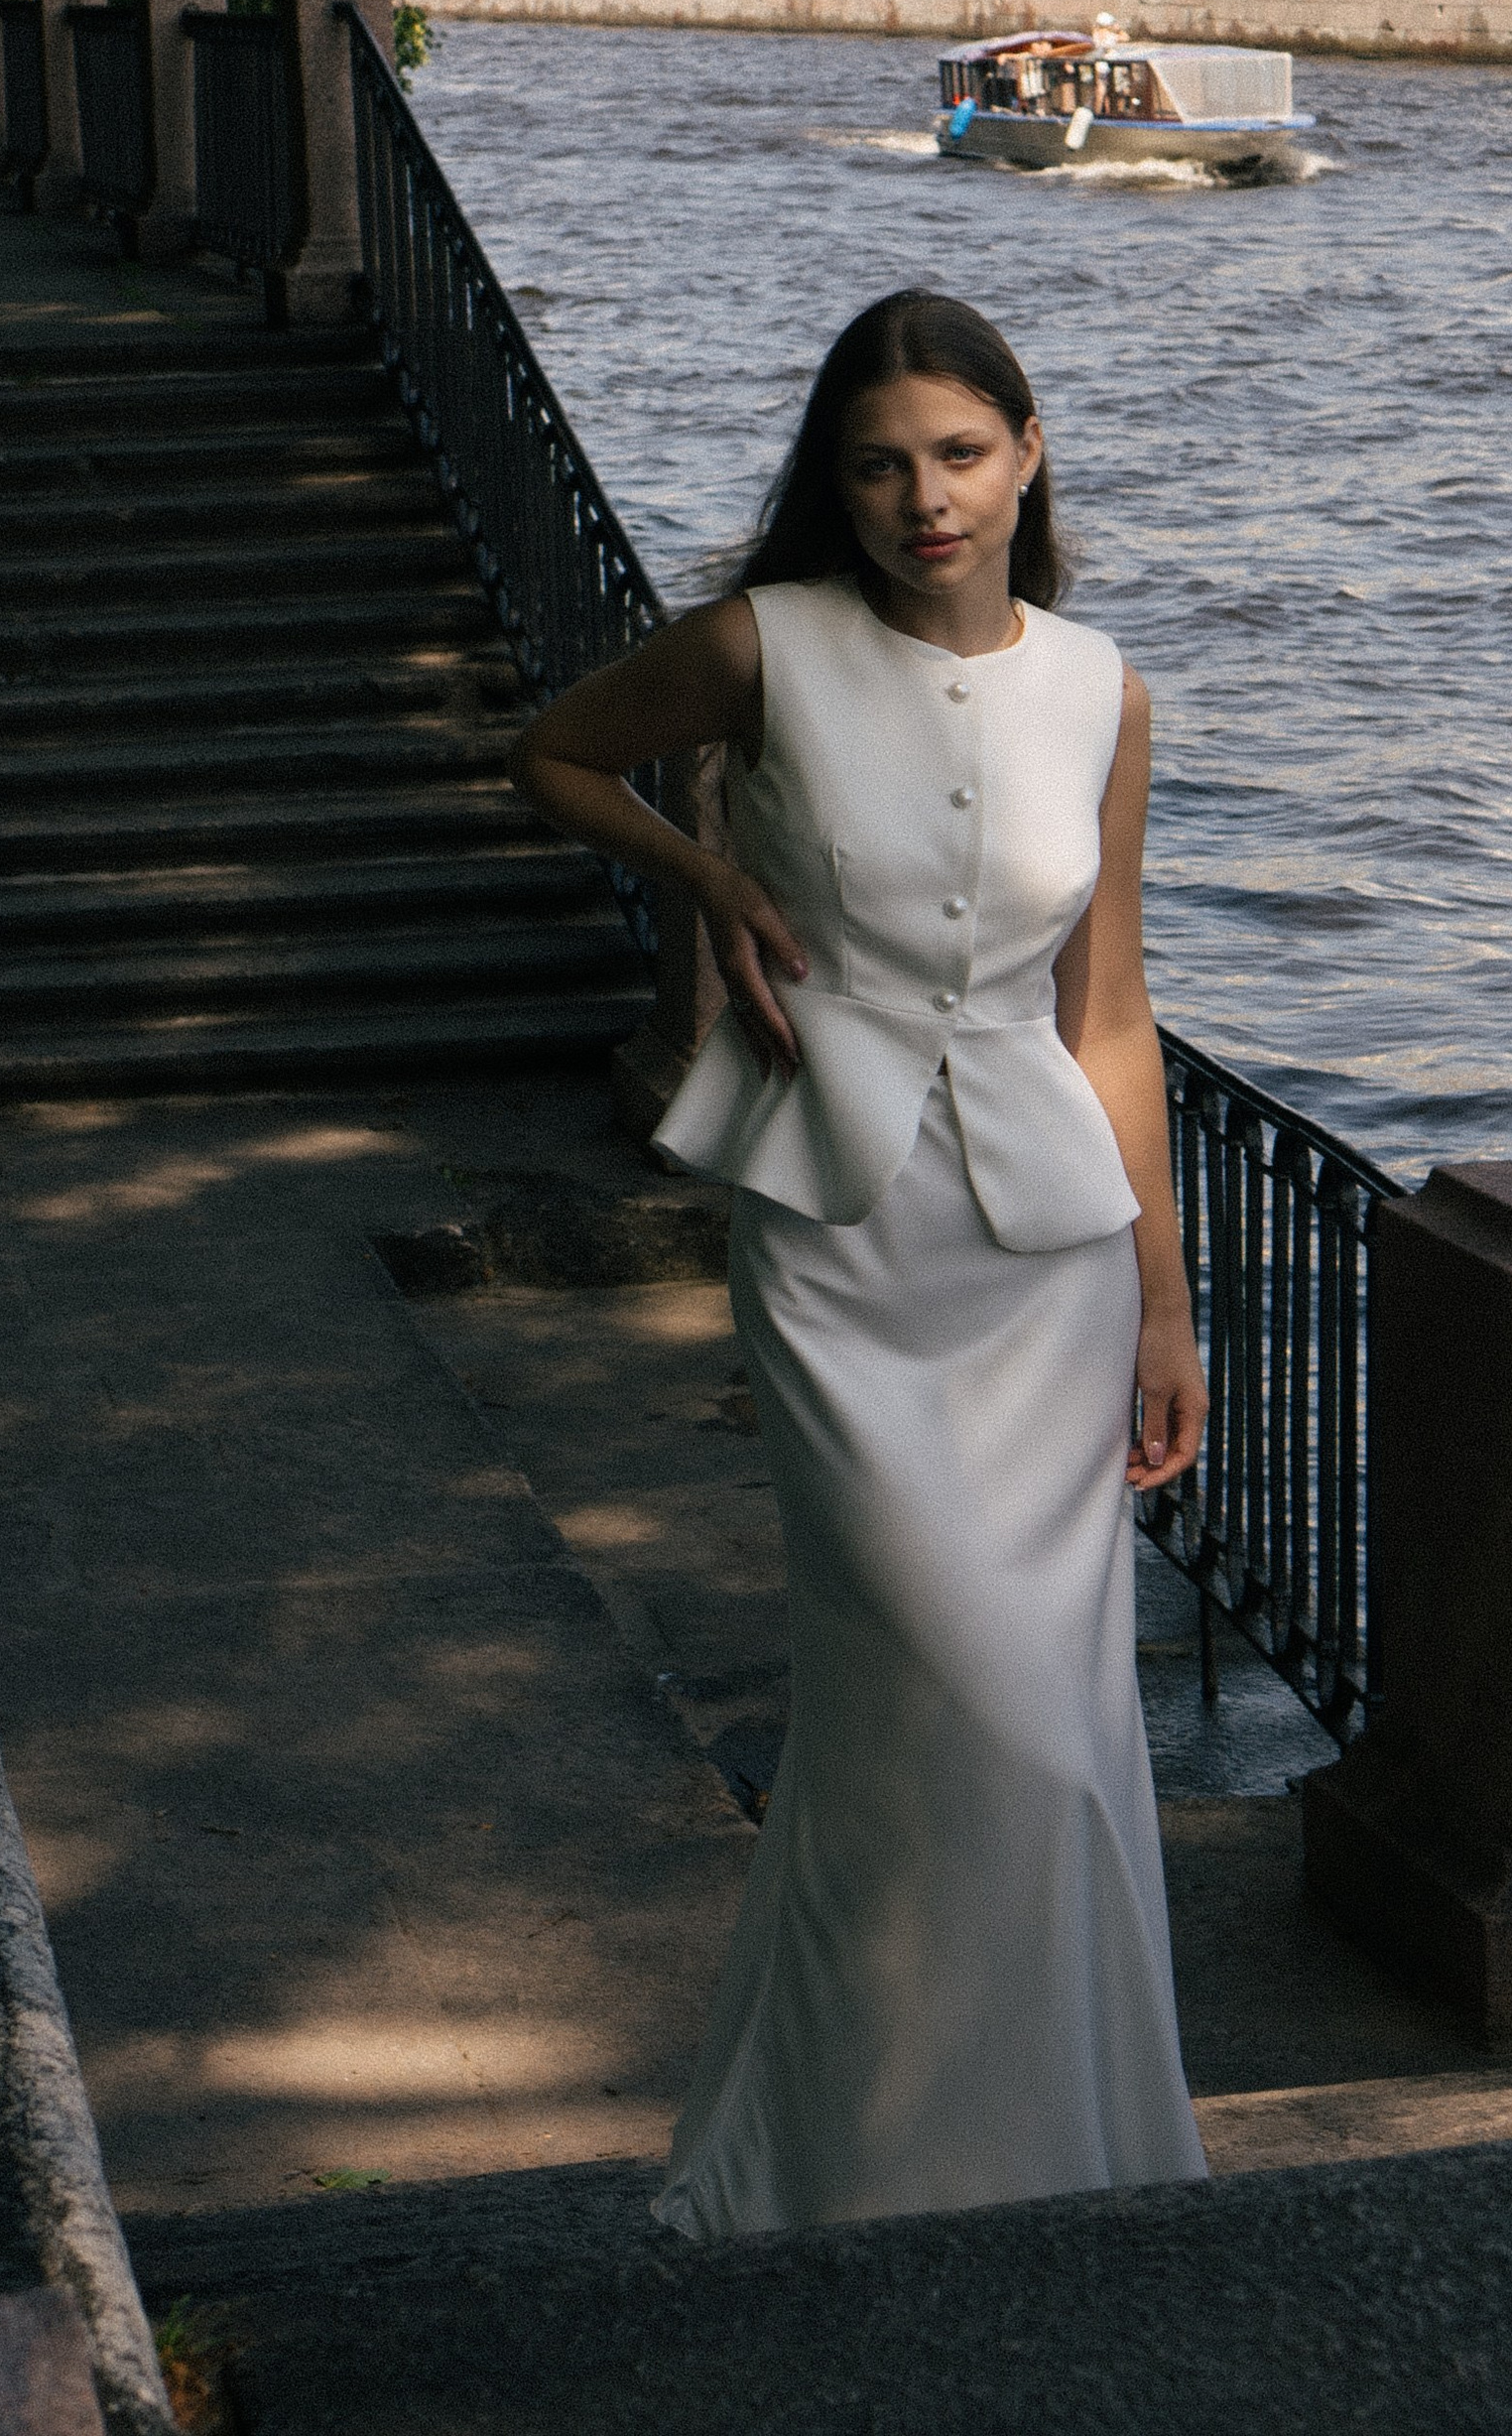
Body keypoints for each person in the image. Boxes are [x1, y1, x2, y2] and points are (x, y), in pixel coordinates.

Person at [512, 290, 1210, 2242]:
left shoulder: (1099, 690)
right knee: (942, 1702)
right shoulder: (765, 647)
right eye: (881, 463)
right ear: (838, 480)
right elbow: (553, 753)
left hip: (1048, 1270)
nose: (924, 498)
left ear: (1028, 455)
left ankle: (1019, 2155)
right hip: (838, 1244)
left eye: (960, 455)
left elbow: (1113, 1015)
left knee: (1053, 1737)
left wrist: (1163, 1302)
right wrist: (712, 875)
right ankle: (870, 2166)